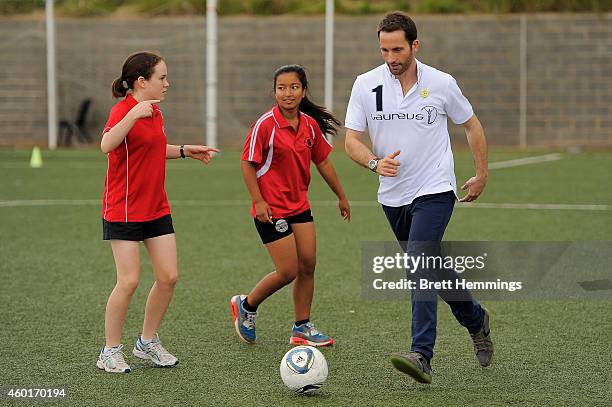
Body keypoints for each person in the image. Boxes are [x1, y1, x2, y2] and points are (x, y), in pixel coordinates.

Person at [344, 12, 493, 383]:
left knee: (419, 261)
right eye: (384, 50)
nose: (391, 57)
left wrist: (481, 174)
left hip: (436, 188)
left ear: (414, 46)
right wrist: (375, 164)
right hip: (392, 195)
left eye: (397, 49)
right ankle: (476, 319)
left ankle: (422, 354)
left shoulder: (442, 83)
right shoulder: (365, 85)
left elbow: (471, 125)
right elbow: (350, 140)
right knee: (432, 269)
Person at [97, 51, 219, 373]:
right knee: (129, 282)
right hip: (123, 209)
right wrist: (133, 114)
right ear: (141, 81)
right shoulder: (124, 110)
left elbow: (150, 149)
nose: (167, 83)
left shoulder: (156, 113)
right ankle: (109, 350)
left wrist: (183, 151)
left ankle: (147, 342)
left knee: (168, 277)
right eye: (161, 78)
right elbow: (107, 144)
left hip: (155, 207)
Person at [231, 64, 350, 347]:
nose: (288, 93)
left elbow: (323, 161)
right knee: (288, 271)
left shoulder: (309, 125)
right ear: (274, 92)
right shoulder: (264, 125)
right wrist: (258, 200)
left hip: (299, 206)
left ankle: (302, 327)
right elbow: (248, 163)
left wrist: (341, 195)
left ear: (303, 90)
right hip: (271, 210)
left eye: (294, 87)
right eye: (281, 88)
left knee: (308, 264)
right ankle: (246, 305)